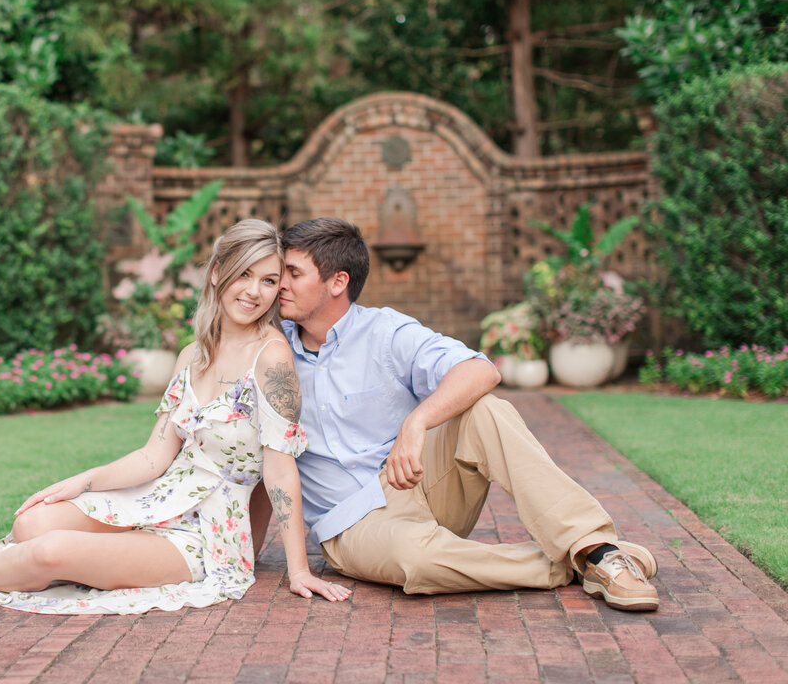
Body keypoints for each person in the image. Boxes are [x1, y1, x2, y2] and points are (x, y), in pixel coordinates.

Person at [0, 219, 351, 614]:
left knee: (51, 551)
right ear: (218, 272)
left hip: (208, 530)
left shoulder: (271, 358)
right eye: (245, 274)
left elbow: (281, 467)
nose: (255, 292)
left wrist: (296, 570)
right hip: (162, 495)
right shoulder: (191, 356)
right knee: (34, 523)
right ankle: (21, 559)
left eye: (269, 281)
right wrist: (83, 482)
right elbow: (154, 456)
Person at [265, 216, 659, 612]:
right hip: (352, 526)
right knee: (416, 559)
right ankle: (577, 564)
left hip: (413, 483)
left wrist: (416, 422)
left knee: (485, 411)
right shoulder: (269, 350)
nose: (281, 284)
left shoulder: (385, 332)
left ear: (338, 282)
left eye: (294, 273)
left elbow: (480, 369)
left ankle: (598, 549)